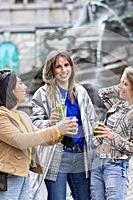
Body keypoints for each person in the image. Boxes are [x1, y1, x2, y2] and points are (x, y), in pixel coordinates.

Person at [0, 69, 78, 199]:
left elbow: (41, 138)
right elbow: (21, 140)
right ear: (10, 90)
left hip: (23, 176)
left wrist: (63, 129)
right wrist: (57, 129)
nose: (25, 87)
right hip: (6, 179)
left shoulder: (22, 116)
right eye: (20, 84)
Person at [30, 50, 96, 200]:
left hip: (80, 155)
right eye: (58, 67)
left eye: (66, 65)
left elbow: (92, 122)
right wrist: (50, 123)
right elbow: (33, 124)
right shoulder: (42, 94)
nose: (64, 70)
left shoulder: (81, 92)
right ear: (51, 70)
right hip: (56, 156)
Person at [90, 66, 133, 200]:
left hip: (115, 166)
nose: (120, 86)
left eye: (125, 83)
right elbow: (103, 93)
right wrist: (122, 85)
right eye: (121, 82)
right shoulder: (118, 106)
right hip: (97, 163)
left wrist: (111, 136)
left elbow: (132, 148)